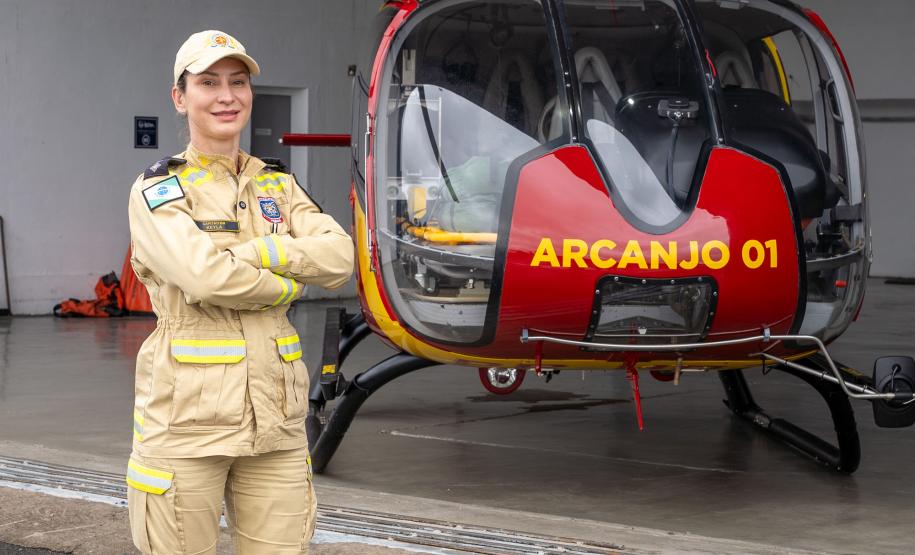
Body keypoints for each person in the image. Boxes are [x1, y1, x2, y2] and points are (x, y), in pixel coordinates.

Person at [125, 30, 354, 554]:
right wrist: (290, 279)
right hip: (186, 422)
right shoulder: (160, 190)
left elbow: (340, 258)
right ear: (180, 98)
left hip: (275, 420)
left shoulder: (277, 184)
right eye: (208, 82)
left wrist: (256, 254)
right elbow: (206, 278)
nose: (226, 96)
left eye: (238, 82)